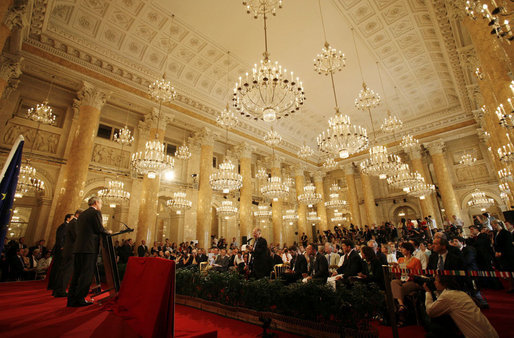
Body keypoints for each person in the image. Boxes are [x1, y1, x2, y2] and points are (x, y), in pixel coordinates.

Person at [67, 197, 110, 307]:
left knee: (76, 274)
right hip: (89, 249)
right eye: (101, 203)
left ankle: (71, 300)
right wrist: (108, 232)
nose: (101, 206)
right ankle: (80, 299)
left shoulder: (82, 214)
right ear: (96, 203)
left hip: (78, 248)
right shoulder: (95, 213)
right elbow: (99, 229)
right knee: (86, 274)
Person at [424, 275, 498, 338]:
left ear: (443, 283)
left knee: (432, 331)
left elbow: (430, 311)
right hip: (490, 333)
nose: (434, 282)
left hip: (476, 335)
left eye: (436, 280)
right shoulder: (461, 293)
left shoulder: (448, 296)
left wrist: (428, 292)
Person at [53, 210, 81, 297]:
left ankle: (57, 290)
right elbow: (76, 236)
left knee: (63, 270)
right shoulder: (74, 223)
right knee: (66, 271)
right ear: (78, 215)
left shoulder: (72, 223)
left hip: (68, 250)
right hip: (71, 250)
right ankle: (61, 290)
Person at [390, 242, 422, 317]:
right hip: (402, 279)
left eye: (403, 248)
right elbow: (398, 275)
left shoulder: (416, 261)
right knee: (393, 282)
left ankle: (401, 309)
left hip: (412, 280)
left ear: (408, 250)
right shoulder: (400, 260)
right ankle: (401, 305)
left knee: (399, 289)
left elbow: (418, 275)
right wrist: (395, 268)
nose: (401, 250)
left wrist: (408, 271)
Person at [47, 214, 73, 290]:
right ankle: (53, 285)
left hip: (61, 249)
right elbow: (61, 237)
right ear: (68, 219)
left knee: (58, 267)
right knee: (57, 267)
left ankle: (54, 284)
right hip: (60, 250)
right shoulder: (64, 226)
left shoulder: (65, 226)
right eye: (72, 218)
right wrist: (62, 247)